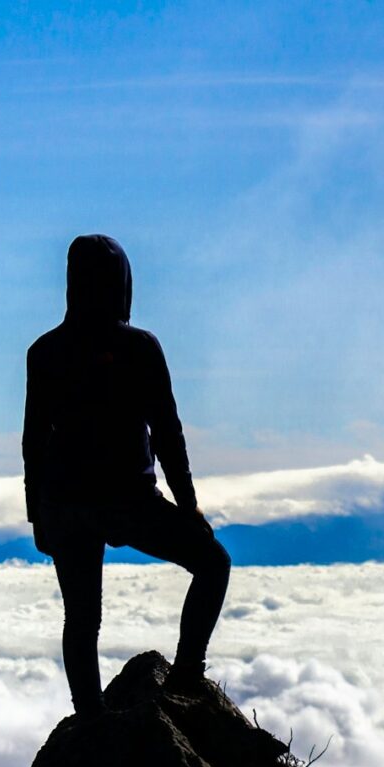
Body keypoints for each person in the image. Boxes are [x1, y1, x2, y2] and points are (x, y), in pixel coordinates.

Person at [22, 234, 231, 715]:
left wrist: (39, 517)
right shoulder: (138, 346)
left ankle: (89, 718)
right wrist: (187, 503)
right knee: (213, 563)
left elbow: (33, 441)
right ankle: (186, 677)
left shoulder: (45, 351)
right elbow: (167, 431)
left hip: (66, 505)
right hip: (129, 501)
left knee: (81, 618)